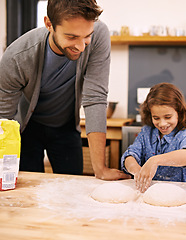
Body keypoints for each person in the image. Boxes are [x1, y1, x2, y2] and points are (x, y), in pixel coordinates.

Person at [0, 0, 129, 180]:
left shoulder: (99, 35)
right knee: (29, 190)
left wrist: (100, 169)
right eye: (71, 37)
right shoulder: (16, 57)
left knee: (72, 188)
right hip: (27, 130)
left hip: (66, 126)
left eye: (87, 36)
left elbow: (95, 97)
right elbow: (4, 118)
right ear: (49, 24)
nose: (82, 46)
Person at [121, 82, 186, 192]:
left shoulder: (185, 134)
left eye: (168, 117)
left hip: (176, 194)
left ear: (179, 112)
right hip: (148, 193)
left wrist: (155, 160)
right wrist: (138, 173)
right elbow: (129, 156)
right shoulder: (147, 132)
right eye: (156, 118)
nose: (162, 124)